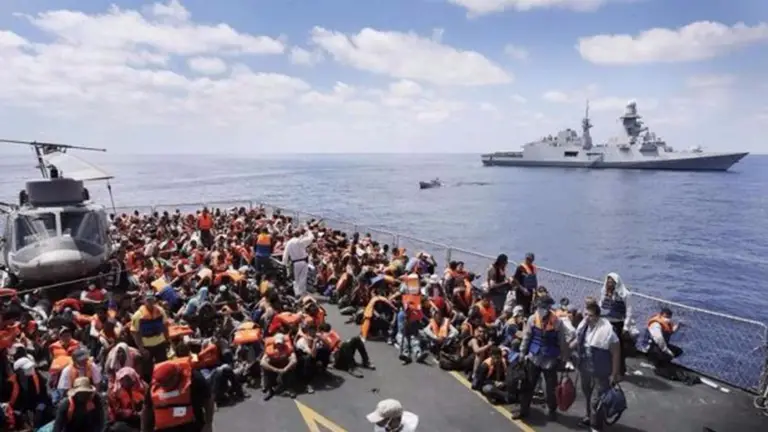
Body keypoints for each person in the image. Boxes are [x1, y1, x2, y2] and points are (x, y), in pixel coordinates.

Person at [513, 295, 571, 421]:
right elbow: (527, 337)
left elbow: (562, 341)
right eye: (539, 306)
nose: (540, 309)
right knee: (528, 385)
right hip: (534, 356)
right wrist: (522, 353)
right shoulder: (533, 319)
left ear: (549, 308)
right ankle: (523, 410)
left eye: (543, 307)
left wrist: (564, 358)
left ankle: (552, 410)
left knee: (551, 388)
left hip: (550, 358)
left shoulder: (557, 322)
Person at [572, 302, 621, 431]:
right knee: (587, 393)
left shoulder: (608, 332)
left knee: (597, 399)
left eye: (591, 315)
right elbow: (578, 340)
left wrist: (614, 373)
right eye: (585, 314)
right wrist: (566, 349)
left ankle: (596, 426)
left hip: (601, 369)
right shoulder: (583, 327)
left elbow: (616, 352)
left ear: (597, 317)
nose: (587, 318)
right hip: (585, 367)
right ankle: (588, 417)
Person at [141, 359, 214, 432]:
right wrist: (144, 429)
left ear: (175, 376)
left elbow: (208, 400)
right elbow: (146, 408)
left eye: (166, 383)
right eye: (162, 384)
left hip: (191, 426)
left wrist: (208, 424)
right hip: (164, 428)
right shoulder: (155, 385)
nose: (164, 386)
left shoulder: (195, 379)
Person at [131, 292, 170, 381]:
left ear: (154, 300)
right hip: (147, 347)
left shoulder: (160, 311)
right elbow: (135, 333)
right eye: (148, 300)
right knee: (148, 371)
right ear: (144, 301)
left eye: (151, 299)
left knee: (163, 366)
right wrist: (141, 349)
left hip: (160, 343)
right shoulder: (137, 315)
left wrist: (167, 340)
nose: (150, 302)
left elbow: (165, 326)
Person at [598, 272, 630, 375]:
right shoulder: (604, 292)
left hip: (617, 323)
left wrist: (626, 326)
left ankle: (619, 371)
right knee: (604, 345)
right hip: (605, 322)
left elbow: (629, 311)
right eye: (608, 282)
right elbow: (601, 305)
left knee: (618, 348)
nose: (610, 284)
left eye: (612, 282)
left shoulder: (625, 294)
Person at [282, 227, 315, 297]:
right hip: (303, 262)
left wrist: (284, 264)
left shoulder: (288, 243)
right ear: (299, 234)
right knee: (302, 278)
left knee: (296, 279)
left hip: (295, 263)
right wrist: (308, 230)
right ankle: (302, 294)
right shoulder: (301, 241)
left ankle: (297, 294)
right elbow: (311, 238)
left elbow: (285, 254)